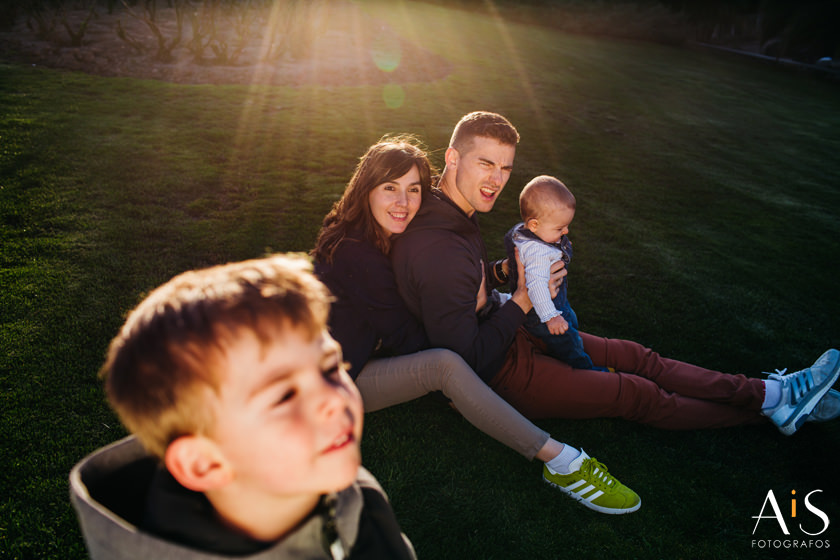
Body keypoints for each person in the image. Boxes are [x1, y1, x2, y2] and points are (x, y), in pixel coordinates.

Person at [389, 110, 840, 446]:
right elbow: (464, 362)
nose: (497, 179)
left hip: (515, 328)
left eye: (505, 167)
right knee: (637, 394)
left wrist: (503, 273)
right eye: (485, 164)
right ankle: (771, 411)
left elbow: (464, 285)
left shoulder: (451, 209)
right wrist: (525, 299)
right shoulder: (439, 246)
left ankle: (772, 392)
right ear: (452, 157)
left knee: (640, 356)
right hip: (505, 372)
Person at [312, 135, 641, 515]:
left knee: (461, 345)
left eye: (413, 189)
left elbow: (417, 298)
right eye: (390, 188)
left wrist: (496, 275)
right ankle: (562, 462)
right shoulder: (359, 254)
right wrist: (488, 318)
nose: (403, 203)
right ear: (366, 189)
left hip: (356, 352)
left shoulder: (381, 234)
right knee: (446, 366)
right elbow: (413, 340)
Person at [70, 254, 416, 559]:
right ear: (204, 463)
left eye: (329, 368)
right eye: (284, 396)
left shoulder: (351, 492)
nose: (334, 398)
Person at [503, 175, 602, 370]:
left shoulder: (525, 232)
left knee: (571, 322)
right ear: (534, 225)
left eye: (566, 226)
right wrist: (551, 317)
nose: (565, 231)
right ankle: (586, 371)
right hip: (543, 313)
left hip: (557, 306)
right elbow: (536, 286)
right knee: (567, 344)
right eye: (559, 228)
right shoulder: (537, 253)